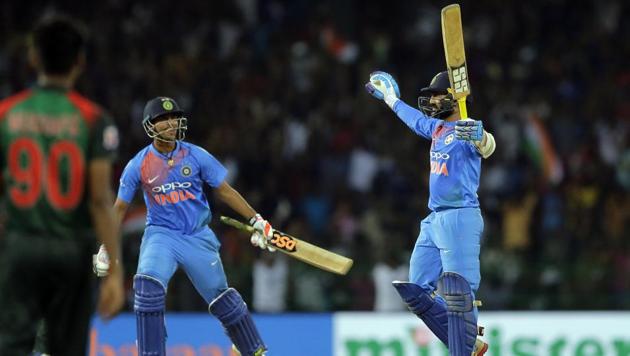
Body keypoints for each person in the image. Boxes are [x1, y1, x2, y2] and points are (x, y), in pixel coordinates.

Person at [93, 96, 274, 355]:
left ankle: (253, 349)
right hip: (161, 235)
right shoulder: (139, 164)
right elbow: (119, 208)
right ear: (150, 126)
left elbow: (224, 191)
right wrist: (105, 245)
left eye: (174, 118)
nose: (171, 123)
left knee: (224, 301)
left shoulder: (196, 155)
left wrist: (257, 220)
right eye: (163, 119)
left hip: (198, 236)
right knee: (147, 289)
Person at [0, 16, 125, 355]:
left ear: (33, 59)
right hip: (71, 250)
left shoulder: (7, 114)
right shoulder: (94, 119)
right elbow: (99, 201)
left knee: (11, 347)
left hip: (21, 247)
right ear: (79, 62)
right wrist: (114, 271)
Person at [365, 71, 496, 356]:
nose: (433, 100)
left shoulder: (466, 129)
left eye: (438, 94)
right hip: (434, 219)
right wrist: (390, 99)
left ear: (453, 97)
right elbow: (414, 119)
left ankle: (463, 346)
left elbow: (487, 146)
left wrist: (480, 136)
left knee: (458, 294)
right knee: (415, 290)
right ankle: (468, 342)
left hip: (460, 217)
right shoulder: (436, 129)